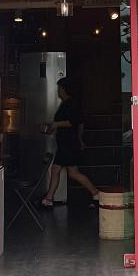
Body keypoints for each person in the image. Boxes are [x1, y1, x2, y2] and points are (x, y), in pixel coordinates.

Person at [40, 77, 100, 207]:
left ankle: (96, 193)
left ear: (65, 89)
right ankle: (48, 199)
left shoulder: (71, 104)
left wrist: (56, 124)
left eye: (60, 88)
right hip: (66, 143)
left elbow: (73, 122)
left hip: (68, 144)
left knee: (69, 172)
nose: (58, 91)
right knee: (62, 170)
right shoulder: (68, 104)